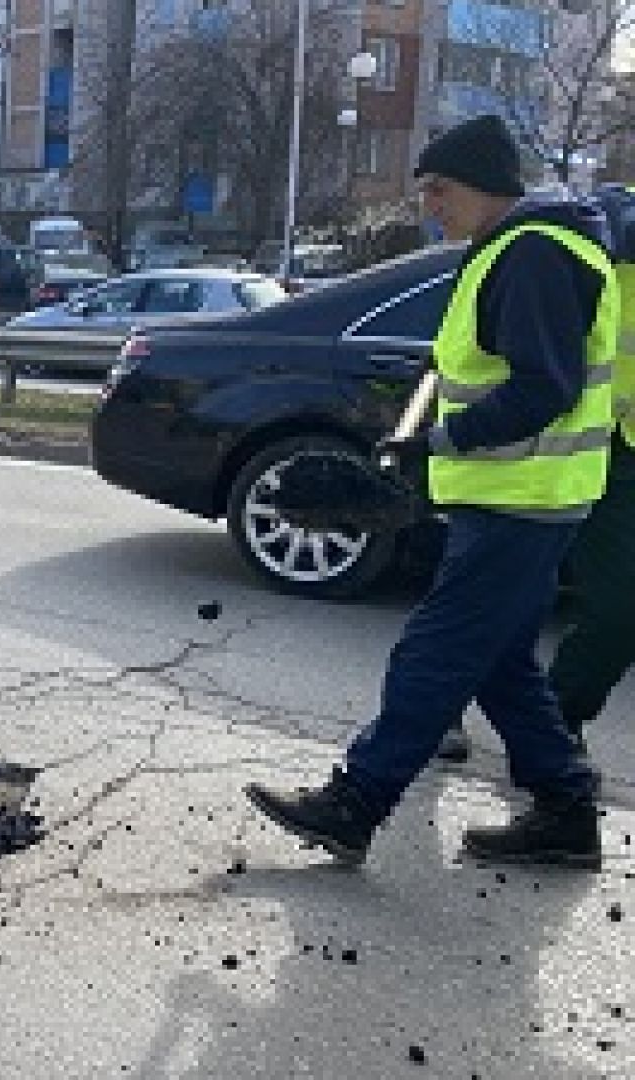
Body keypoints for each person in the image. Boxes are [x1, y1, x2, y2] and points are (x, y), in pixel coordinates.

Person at [245, 114, 616, 871]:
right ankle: (566, 812)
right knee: (501, 663)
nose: (429, 205)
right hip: (527, 494)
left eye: (438, 188)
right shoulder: (517, 249)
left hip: (522, 496)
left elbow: (545, 386)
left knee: (436, 653)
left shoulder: (536, 254)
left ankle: (355, 803)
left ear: (482, 186)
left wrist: (443, 441)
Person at [545, 186, 635, 742]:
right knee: (495, 596)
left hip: (625, 458)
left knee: (619, 611)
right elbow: (610, 217)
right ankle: (441, 711)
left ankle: (556, 721)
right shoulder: (612, 213)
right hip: (559, 441)